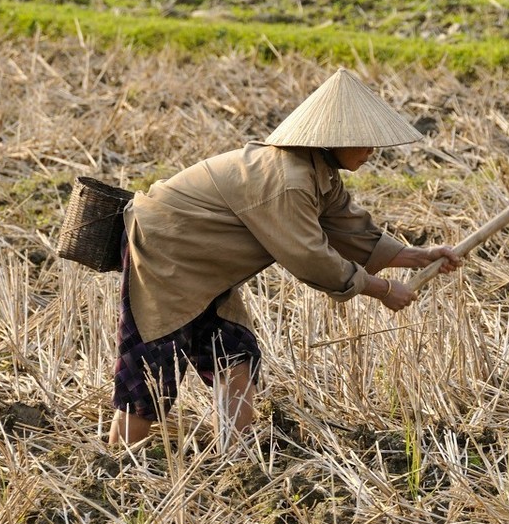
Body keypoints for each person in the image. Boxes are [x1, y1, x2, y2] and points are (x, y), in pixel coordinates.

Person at [108, 68, 462, 446]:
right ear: (332, 139)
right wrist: (382, 289)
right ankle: (118, 464)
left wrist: (419, 256)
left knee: (234, 352)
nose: (372, 152)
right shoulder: (288, 180)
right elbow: (310, 257)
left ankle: (236, 458)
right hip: (167, 250)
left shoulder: (319, 174)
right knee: (153, 366)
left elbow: (351, 230)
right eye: (364, 142)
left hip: (208, 266)